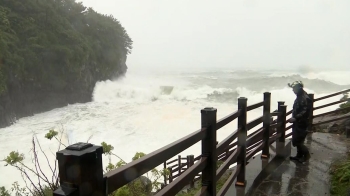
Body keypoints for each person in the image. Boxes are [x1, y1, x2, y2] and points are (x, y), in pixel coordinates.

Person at [287, 81, 311, 163]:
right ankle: (299, 156)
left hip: (302, 123)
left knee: (299, 141)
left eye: (294, 89)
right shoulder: (300, 96)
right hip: (298, 122)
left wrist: (295, 118)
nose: (293, 91)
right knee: (297, 140)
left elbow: (305, 111)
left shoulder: (304, 98)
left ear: (299, 89)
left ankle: (306, 155)